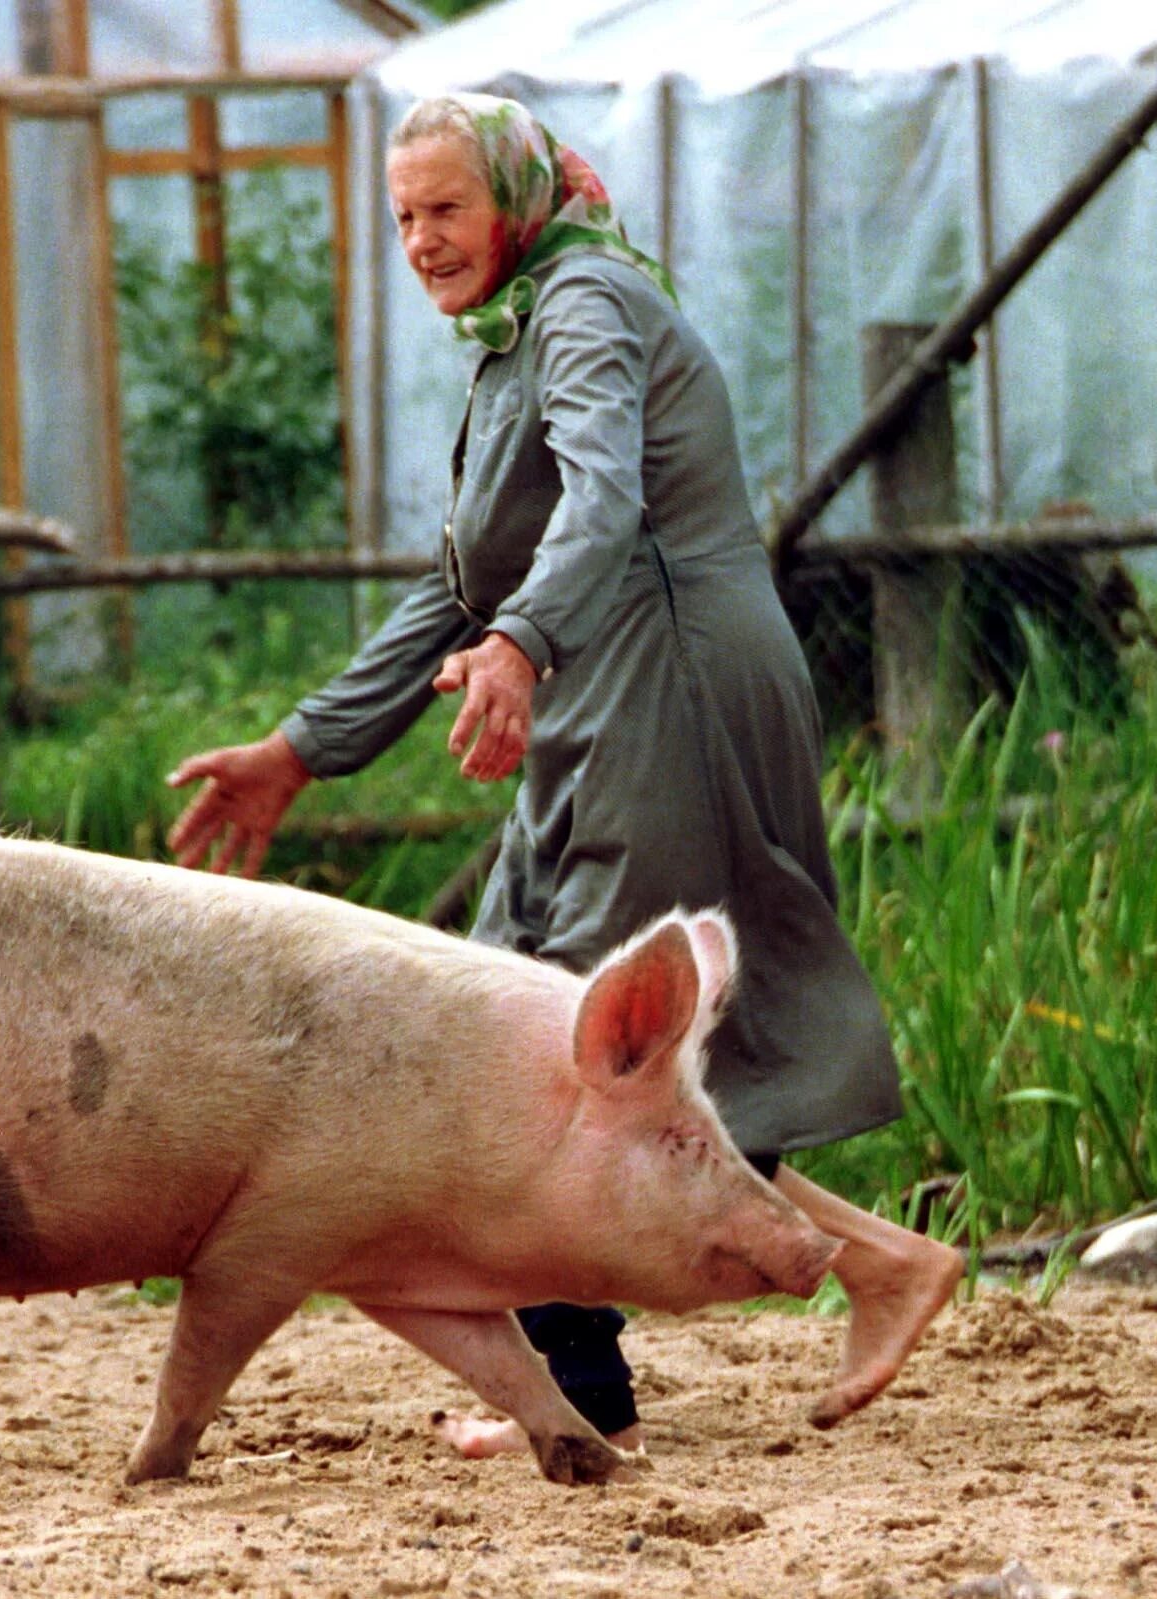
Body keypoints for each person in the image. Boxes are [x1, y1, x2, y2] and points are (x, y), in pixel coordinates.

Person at [163, 93, 960, 1458]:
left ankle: (592, 1378)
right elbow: (462, 584)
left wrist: (524, 643)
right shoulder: (517, 335)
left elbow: (605, 507)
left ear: (518, 199)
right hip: (605, 674)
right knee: (517, 1022)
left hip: (671, 674)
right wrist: (303, 750)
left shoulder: (583, 305)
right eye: (404, 216)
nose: (422, 240)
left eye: (447, 209)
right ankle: (867, 1264)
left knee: (581, 1048)